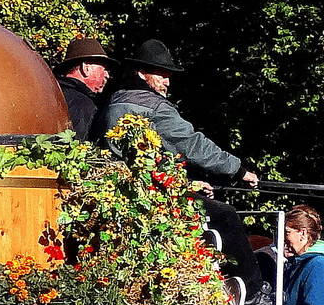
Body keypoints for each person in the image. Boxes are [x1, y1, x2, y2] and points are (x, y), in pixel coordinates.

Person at [93, 39, 260, 285]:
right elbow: (192, 145)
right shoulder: (153, 106)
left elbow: (148, 160)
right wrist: (238, 171)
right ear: (142, 73)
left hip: (123, 194)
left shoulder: (114, 101)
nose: (167, 82)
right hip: (151, 199)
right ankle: (254, 290)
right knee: (225, 214)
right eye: (161, 74)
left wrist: (189, 183)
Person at [54, 37, 117, 138]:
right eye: (103, 69)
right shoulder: (81, 103)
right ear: (85, 68)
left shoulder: (51, 93)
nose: (107, 75)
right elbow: (77, 146)